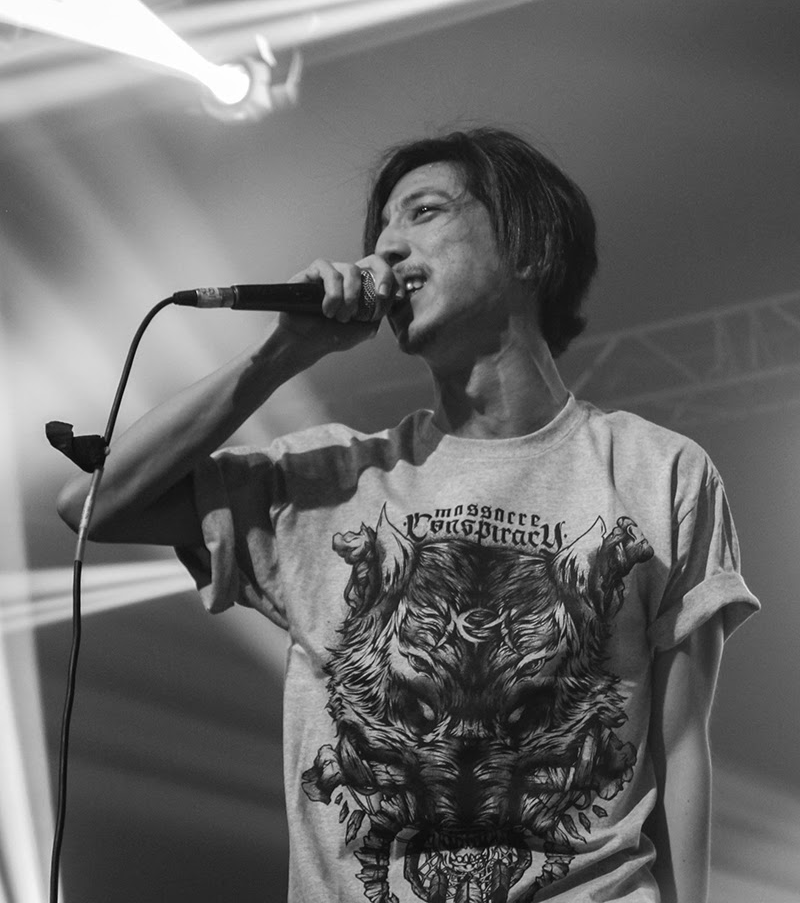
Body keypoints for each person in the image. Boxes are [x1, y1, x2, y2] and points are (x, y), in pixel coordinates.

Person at [58, 126, 759, 903]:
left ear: (530, 249)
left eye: (423, 212)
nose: (386, 249)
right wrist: (283, 353)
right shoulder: (331, 480)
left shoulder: (660, 471)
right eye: (381, 229)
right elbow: (93, 505)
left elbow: (680, 747)